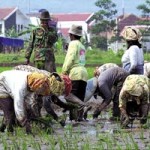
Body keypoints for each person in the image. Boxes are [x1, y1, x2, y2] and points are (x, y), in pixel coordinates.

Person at [0, 70, 64, 133]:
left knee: (27, 109)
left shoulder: (34, 82)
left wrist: (31, 112)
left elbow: (30, 101)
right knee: (9, 111)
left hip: (12, 83)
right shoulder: (20, 88)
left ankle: (3, 128)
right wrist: (24, 122)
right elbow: (18, 105)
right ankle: (9, 132)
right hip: (2, 84)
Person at [62, 24, 88, 121]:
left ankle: (83, 107)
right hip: (84, 73)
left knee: (69, 96)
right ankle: (79, 119)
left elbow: (70, 58)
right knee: (79, 98)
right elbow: (78, 58)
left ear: (71, 35)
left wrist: (64, 72)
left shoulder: (73, 43)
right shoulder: (82, 46)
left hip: (75, 73)